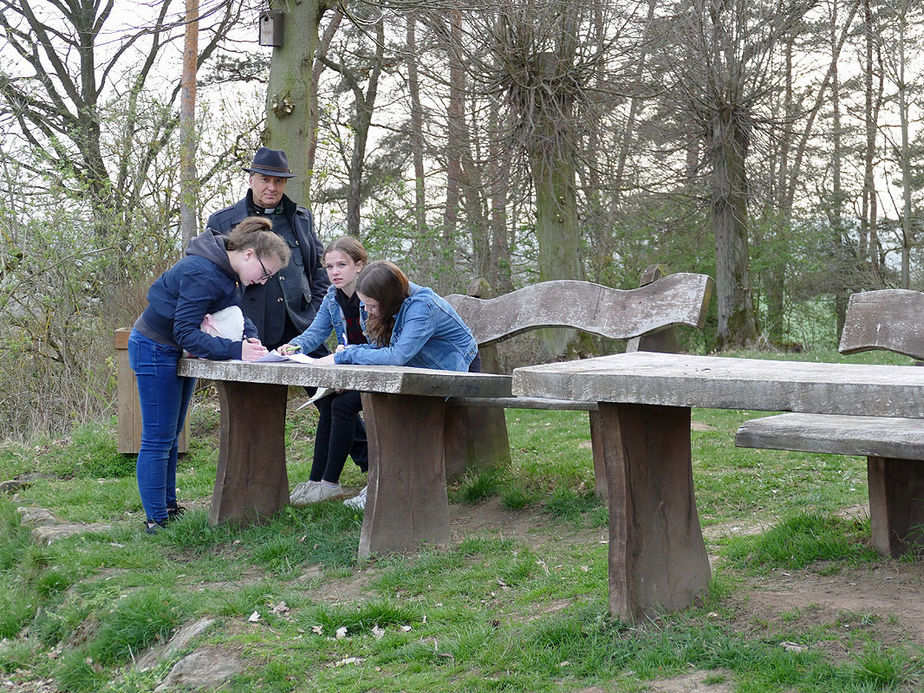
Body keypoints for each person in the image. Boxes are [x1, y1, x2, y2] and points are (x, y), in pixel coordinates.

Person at [128, 217, 290, 534]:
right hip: (154, 347)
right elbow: (185, 332)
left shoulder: (230, 274)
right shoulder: (203, 272)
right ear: (248, 254)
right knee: (158, 439)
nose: (264, 280)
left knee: (171, 436)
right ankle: (156, 521)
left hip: (173, 350)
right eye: (266, 272)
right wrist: (235, 350)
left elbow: (234, 313)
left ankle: (168, 509)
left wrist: (249, 338)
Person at [206, 147, 329, 352]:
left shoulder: (302, 218)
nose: (272, 187)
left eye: (278, 181)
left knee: (326, 383)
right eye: (265, 179)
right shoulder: (222, 221)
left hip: (301, 328)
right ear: (251, 180)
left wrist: (315, 313)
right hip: (252, 333)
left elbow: (318, 270)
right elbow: (211, 278)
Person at [280, 237, 371, 508]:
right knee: (329, 401)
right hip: (355, 368)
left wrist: (348, 374)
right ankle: (318, 480)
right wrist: (292, 347)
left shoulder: (374, 291)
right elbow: (316, 333)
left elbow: (384, 346)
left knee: (342, 404)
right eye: (329, 267)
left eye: (342, 265)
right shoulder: (332, 297)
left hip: (378, 368)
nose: (335, 272)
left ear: (359, 265)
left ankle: (330, 483)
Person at [319, 260, 481, 373]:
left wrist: (346, 355)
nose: (367, 310)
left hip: (455, 367)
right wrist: (353, 349)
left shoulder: (421, 307)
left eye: (372, 306)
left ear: (388, 300)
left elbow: (397, 356)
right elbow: (385, 348)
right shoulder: (396, 302)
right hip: (421, 367)